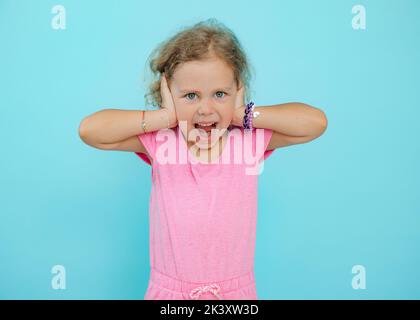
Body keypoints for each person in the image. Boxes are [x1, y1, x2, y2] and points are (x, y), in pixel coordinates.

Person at [78, 18, 328, 300]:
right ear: (168, 94)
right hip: (169, 295)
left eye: (220, 94)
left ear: (238, 92)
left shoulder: (248, 141)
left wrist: (242, 115)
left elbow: (314, 123)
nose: (206, 109)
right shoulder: (161, 141)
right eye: (190, 96)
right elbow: (91, 131)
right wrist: (164, 118)